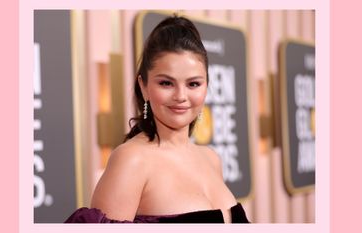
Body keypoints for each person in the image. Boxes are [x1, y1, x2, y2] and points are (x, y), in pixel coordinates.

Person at [65, 14, 250, 224]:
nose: (181, 96)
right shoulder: (131, 160)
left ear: (207, 86)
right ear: (144, 87)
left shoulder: (211, 159)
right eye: (166, 83)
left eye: (193, 84)